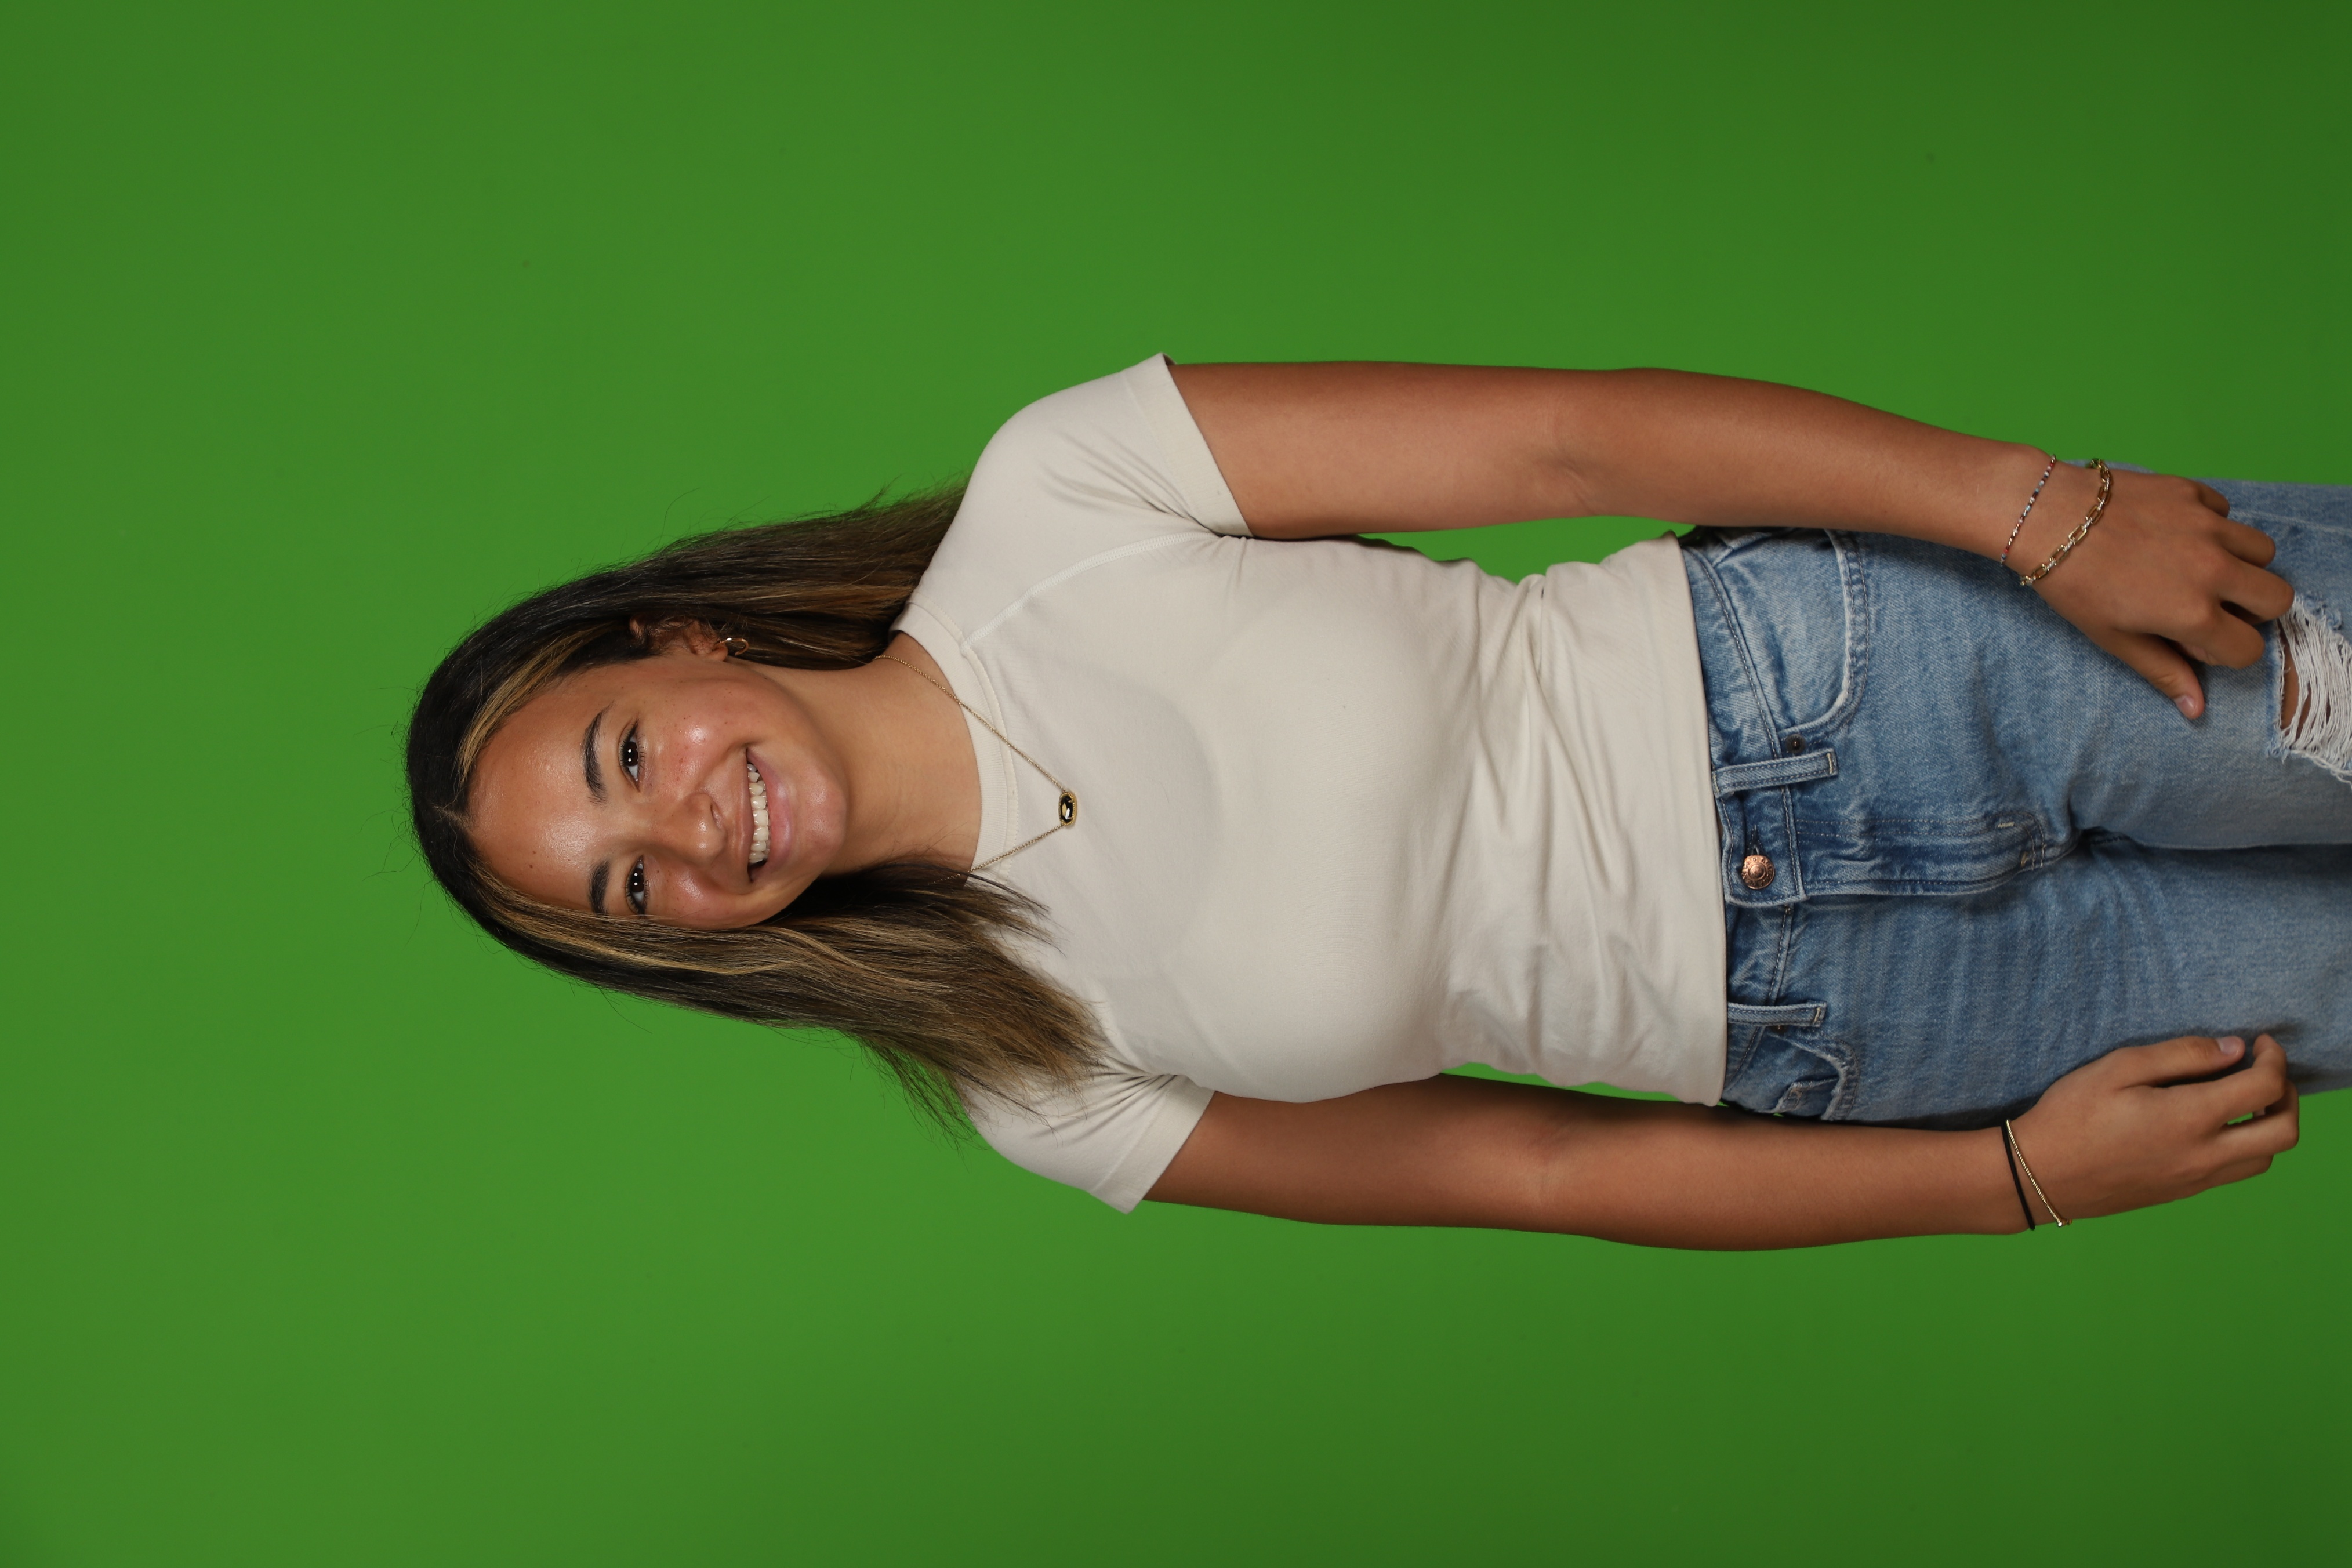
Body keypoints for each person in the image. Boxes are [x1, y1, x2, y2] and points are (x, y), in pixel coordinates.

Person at [408, 355, 2349, 1248]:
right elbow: (1540, 1172)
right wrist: (2012, 1185)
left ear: (681, 641)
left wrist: (2036, 510)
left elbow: (1569, 440)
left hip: (1885, 675)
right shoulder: (1035, 1084)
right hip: (1871, 1027)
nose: (688, 832)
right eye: (633, 890)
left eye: (625, 759)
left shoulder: (1057, 491)